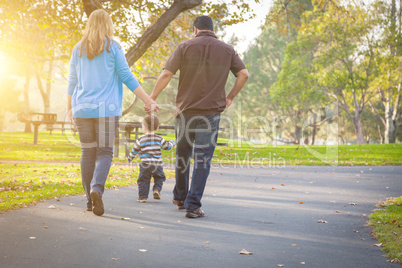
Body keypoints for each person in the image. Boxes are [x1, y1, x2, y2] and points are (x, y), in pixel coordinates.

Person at [148, 15, 249, 218]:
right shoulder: (227, 50)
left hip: (185, 113)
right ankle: (193, 206)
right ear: (213, 30)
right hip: (210, 114)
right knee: (202, 160)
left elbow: (166, 74)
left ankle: (180, 197)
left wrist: (152, 97)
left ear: (195, 30)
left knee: (182, 154)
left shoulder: (184, 47)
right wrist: (229, 97)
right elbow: (244, 74)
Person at [67, 9, 158, 216]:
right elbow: (126, 75)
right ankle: (96, 188)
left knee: (87, 152)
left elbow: (72, 81)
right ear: (108, 25)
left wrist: (69, 108)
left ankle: (90, 202)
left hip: (81, 108)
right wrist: (148, 99)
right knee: (105, 152)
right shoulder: (113, 47)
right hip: (106, 110)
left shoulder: (77, 49)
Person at [127, 114, 176, 203]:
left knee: (143, 179)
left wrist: (130, 158)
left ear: (144, 127)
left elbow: (134, 150)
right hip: (157, 164)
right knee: (159, 177)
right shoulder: (158, 139)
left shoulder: (140, 139)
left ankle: (142, 197)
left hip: (145, 164)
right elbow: (167, 147)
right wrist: (172, 142)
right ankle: (156, 189)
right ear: (157, 128)